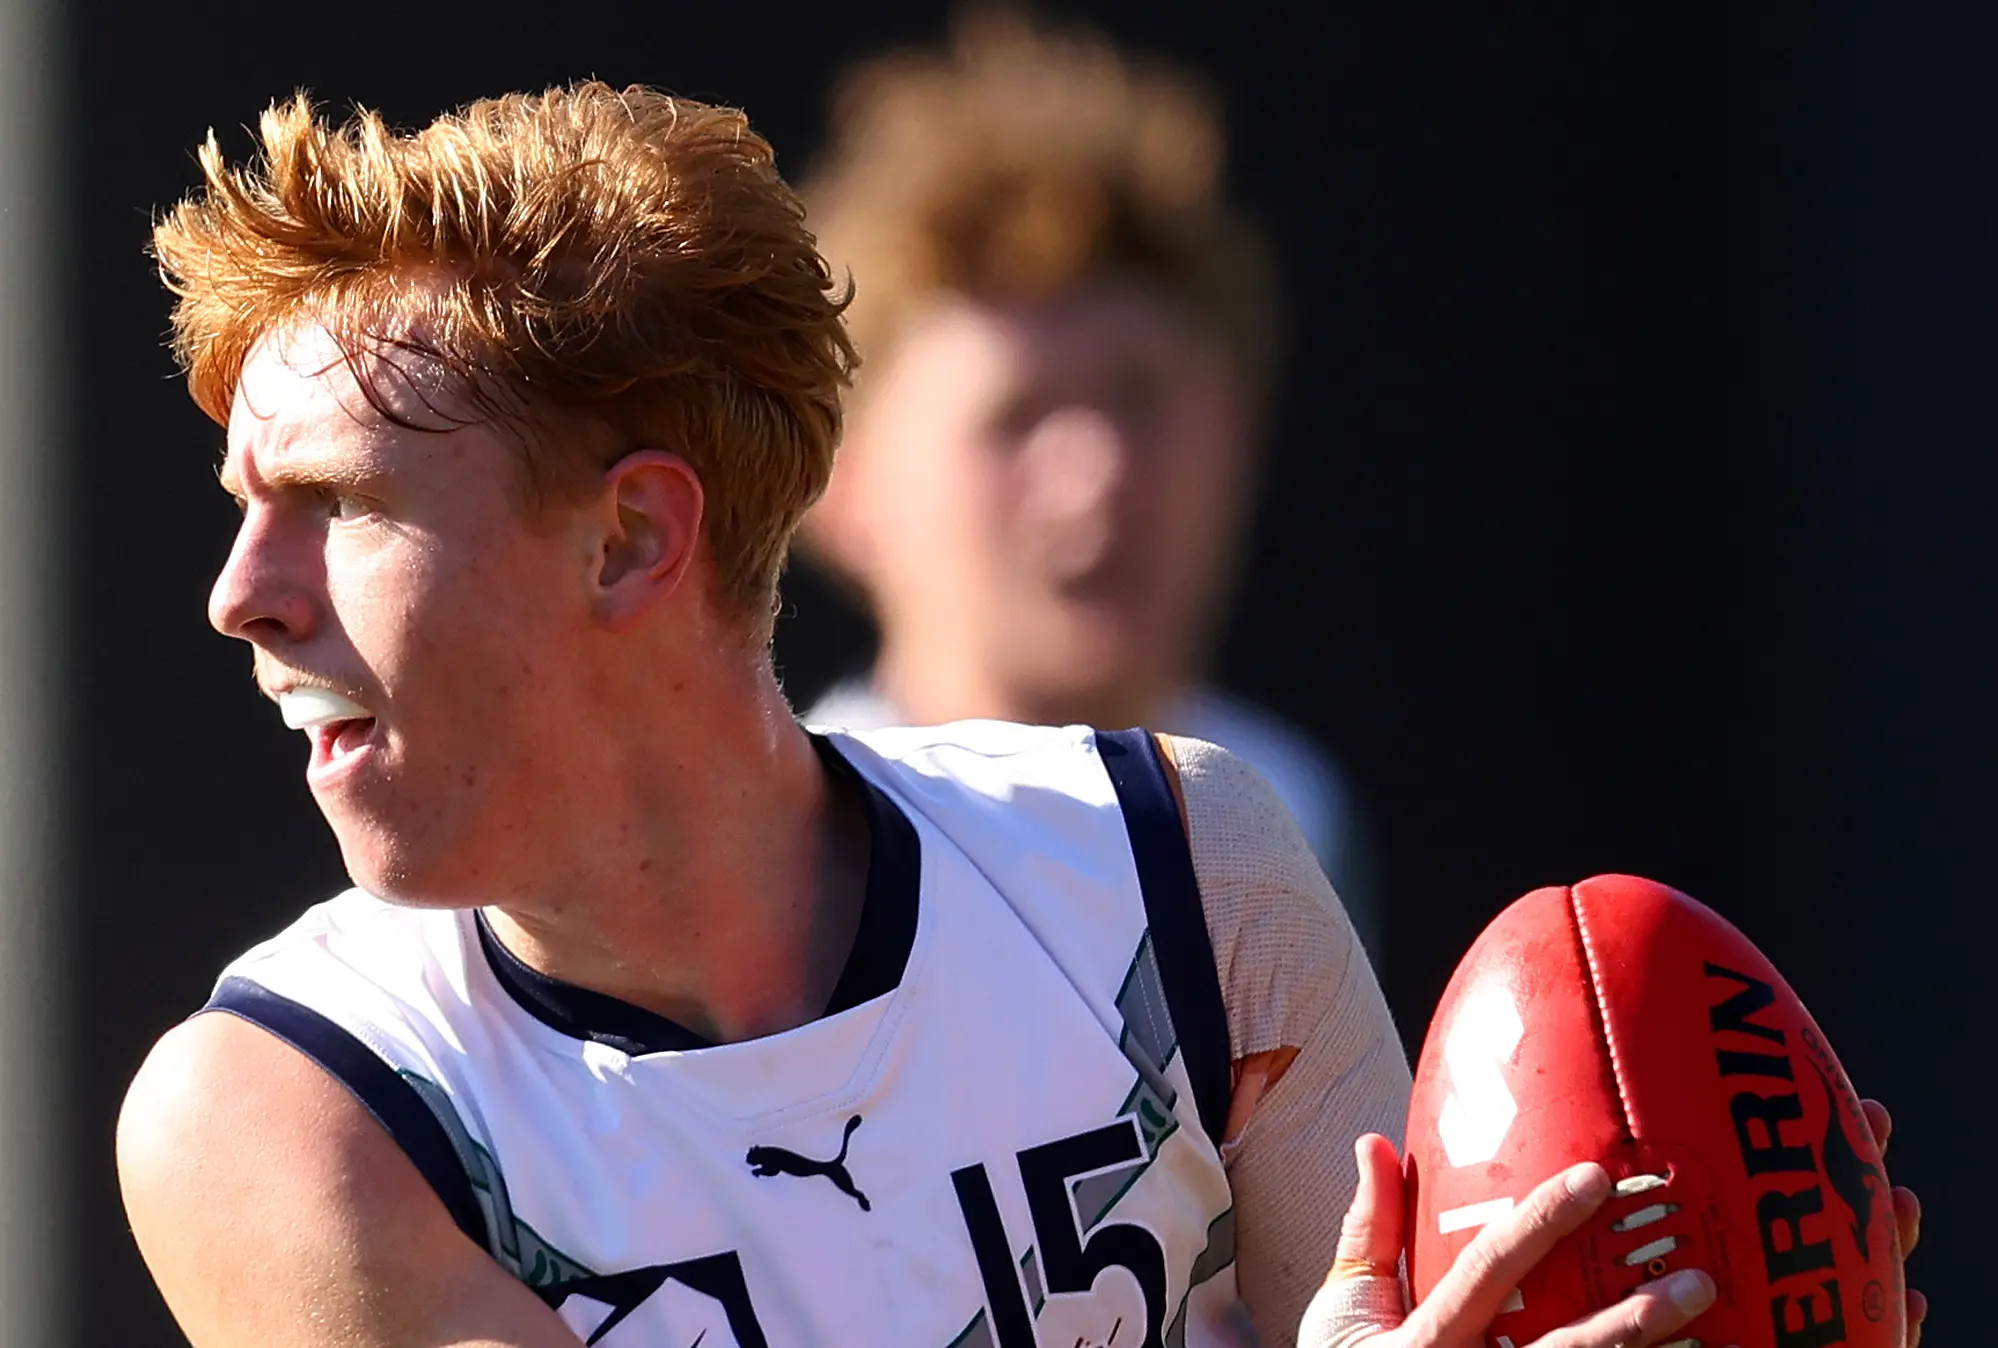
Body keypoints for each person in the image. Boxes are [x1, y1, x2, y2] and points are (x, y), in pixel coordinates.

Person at [110, 83, 1905, 1348]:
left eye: (337, 502)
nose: (242, 593)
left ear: (635, 535)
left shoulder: (1191, 857)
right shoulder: (281, 1110)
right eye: (242, 505)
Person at [797, 15, 1385, 951]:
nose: (1096, 471)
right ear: (842, 489)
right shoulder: (785, 866)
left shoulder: (1299, 815)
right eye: (1014, 416)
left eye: (1140, 398)